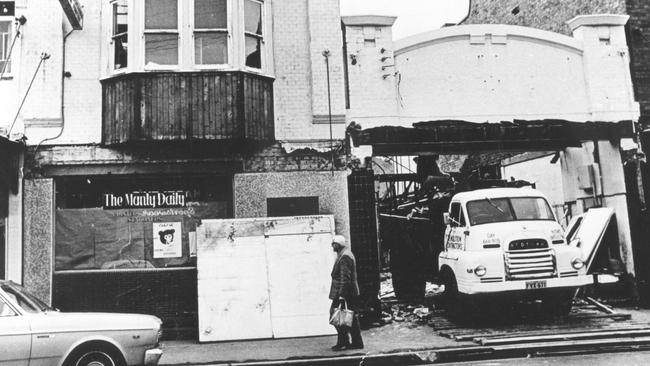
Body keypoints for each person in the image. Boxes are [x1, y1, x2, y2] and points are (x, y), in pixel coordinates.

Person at [329, 234, 364, 351]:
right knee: (349, 318)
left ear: (337, 244)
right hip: (348, 293)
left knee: (337, 317)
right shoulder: (344, 254)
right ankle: (354, 342)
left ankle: (344, 342)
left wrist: (341, 295)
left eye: (333, 243)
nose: (332, 245)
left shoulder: (344, 257)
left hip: (345, 293)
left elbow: (345, 278)